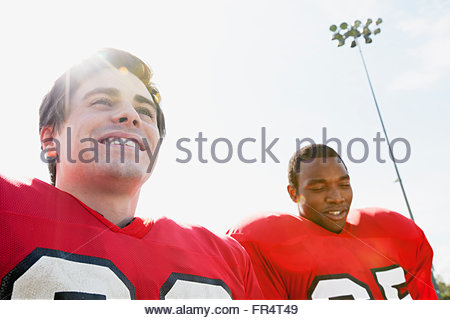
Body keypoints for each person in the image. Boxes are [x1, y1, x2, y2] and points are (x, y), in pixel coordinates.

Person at [0, 48, 262, 300]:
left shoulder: (229, 257)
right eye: (102, 101)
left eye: (146, 112)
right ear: (50, 140)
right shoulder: (7, 206)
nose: (131, 115)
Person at [228, 144, 437, 299]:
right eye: (319, 188)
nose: (337, 197)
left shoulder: (392, 230)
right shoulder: (267, 242)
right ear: (294, 193)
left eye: (344, 184)